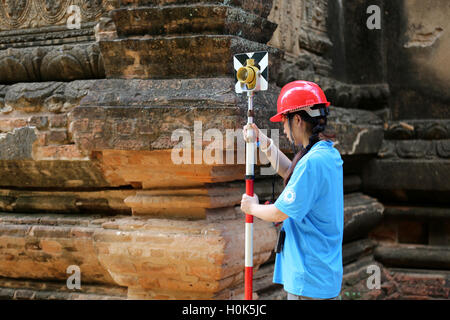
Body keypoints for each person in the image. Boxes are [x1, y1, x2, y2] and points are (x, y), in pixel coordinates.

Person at [240, 80, 344, 300]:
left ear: (297, 120)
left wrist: (252, 207)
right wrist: (265, 143)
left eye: (284, 122)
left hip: (310, 276)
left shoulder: (312, 162)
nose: (284, 129)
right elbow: (292, 172)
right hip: (322, 272)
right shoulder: (327, 154)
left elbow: (279, 212)